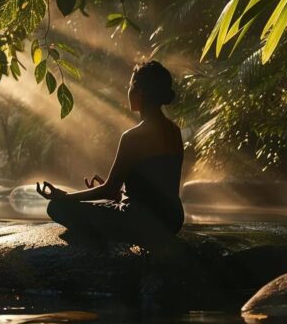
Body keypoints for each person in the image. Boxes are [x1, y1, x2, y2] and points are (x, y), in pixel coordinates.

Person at [38, 60, 184, 247]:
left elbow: (109, 189)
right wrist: (120, 194)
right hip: (172, 221)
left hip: (141, 223)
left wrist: (64, 196)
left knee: (57, 207)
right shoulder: (174, 131)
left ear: (139, 92)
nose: (128, 90)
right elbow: (159, 187)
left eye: (130, 85)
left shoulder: (133, 137)